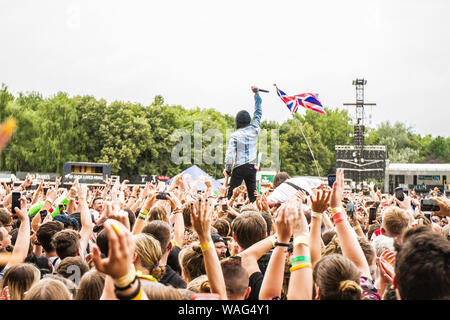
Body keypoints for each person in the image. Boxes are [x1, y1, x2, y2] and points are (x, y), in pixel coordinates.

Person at [224, 86, 262, 203]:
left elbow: (230, 155)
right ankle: (255, 215)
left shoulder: (235, 135)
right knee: (253, 196)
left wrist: (228, 169)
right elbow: (258, 112)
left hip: (239, 166)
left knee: (231, 194)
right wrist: (257, 94)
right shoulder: (255, 128)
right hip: (252, 166)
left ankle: (227, 214)